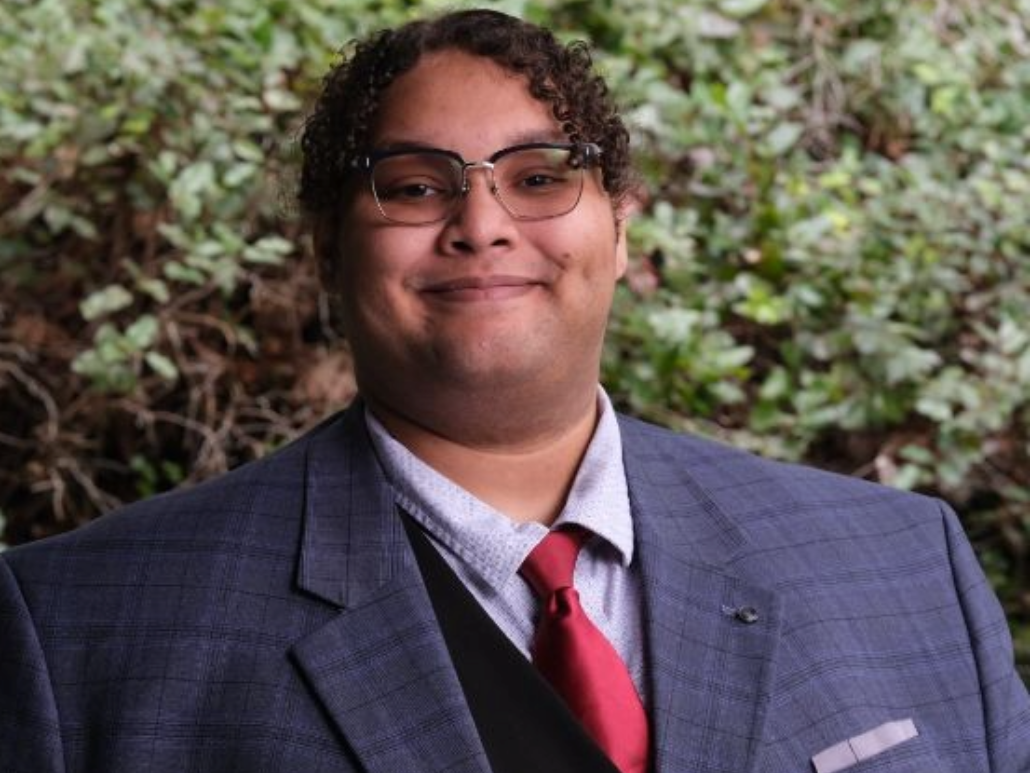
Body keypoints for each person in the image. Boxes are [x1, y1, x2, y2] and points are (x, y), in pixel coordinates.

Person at [1, 9, 1027, 773]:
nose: (481, 223)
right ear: (327, 246)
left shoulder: (901, 563)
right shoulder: (81, 631)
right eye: (413, 184)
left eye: (539, 176)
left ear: (620, 229)